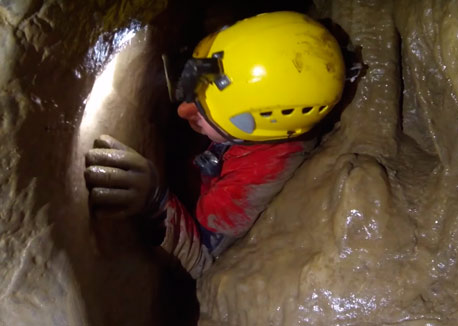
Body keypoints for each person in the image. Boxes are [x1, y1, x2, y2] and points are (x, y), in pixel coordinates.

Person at [84, 11, 347, 278]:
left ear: (254, 130)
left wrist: (157, 200)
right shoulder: (246, 71)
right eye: (196, 87)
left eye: (203, 113)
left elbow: (205, 258)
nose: (183, 111)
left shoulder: (257, 178)